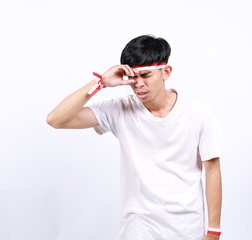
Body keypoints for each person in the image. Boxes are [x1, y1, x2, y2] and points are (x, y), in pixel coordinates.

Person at [46, 35, 223, 240]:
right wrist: (99, 83)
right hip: (138, 226)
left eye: (146, 75)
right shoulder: (120, 109)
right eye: (133, 77)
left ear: (166, 72)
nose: (138, 84)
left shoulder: (198, 113)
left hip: (185, 225)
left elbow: (212, 170)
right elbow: (56, 120)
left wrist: (213, 231)